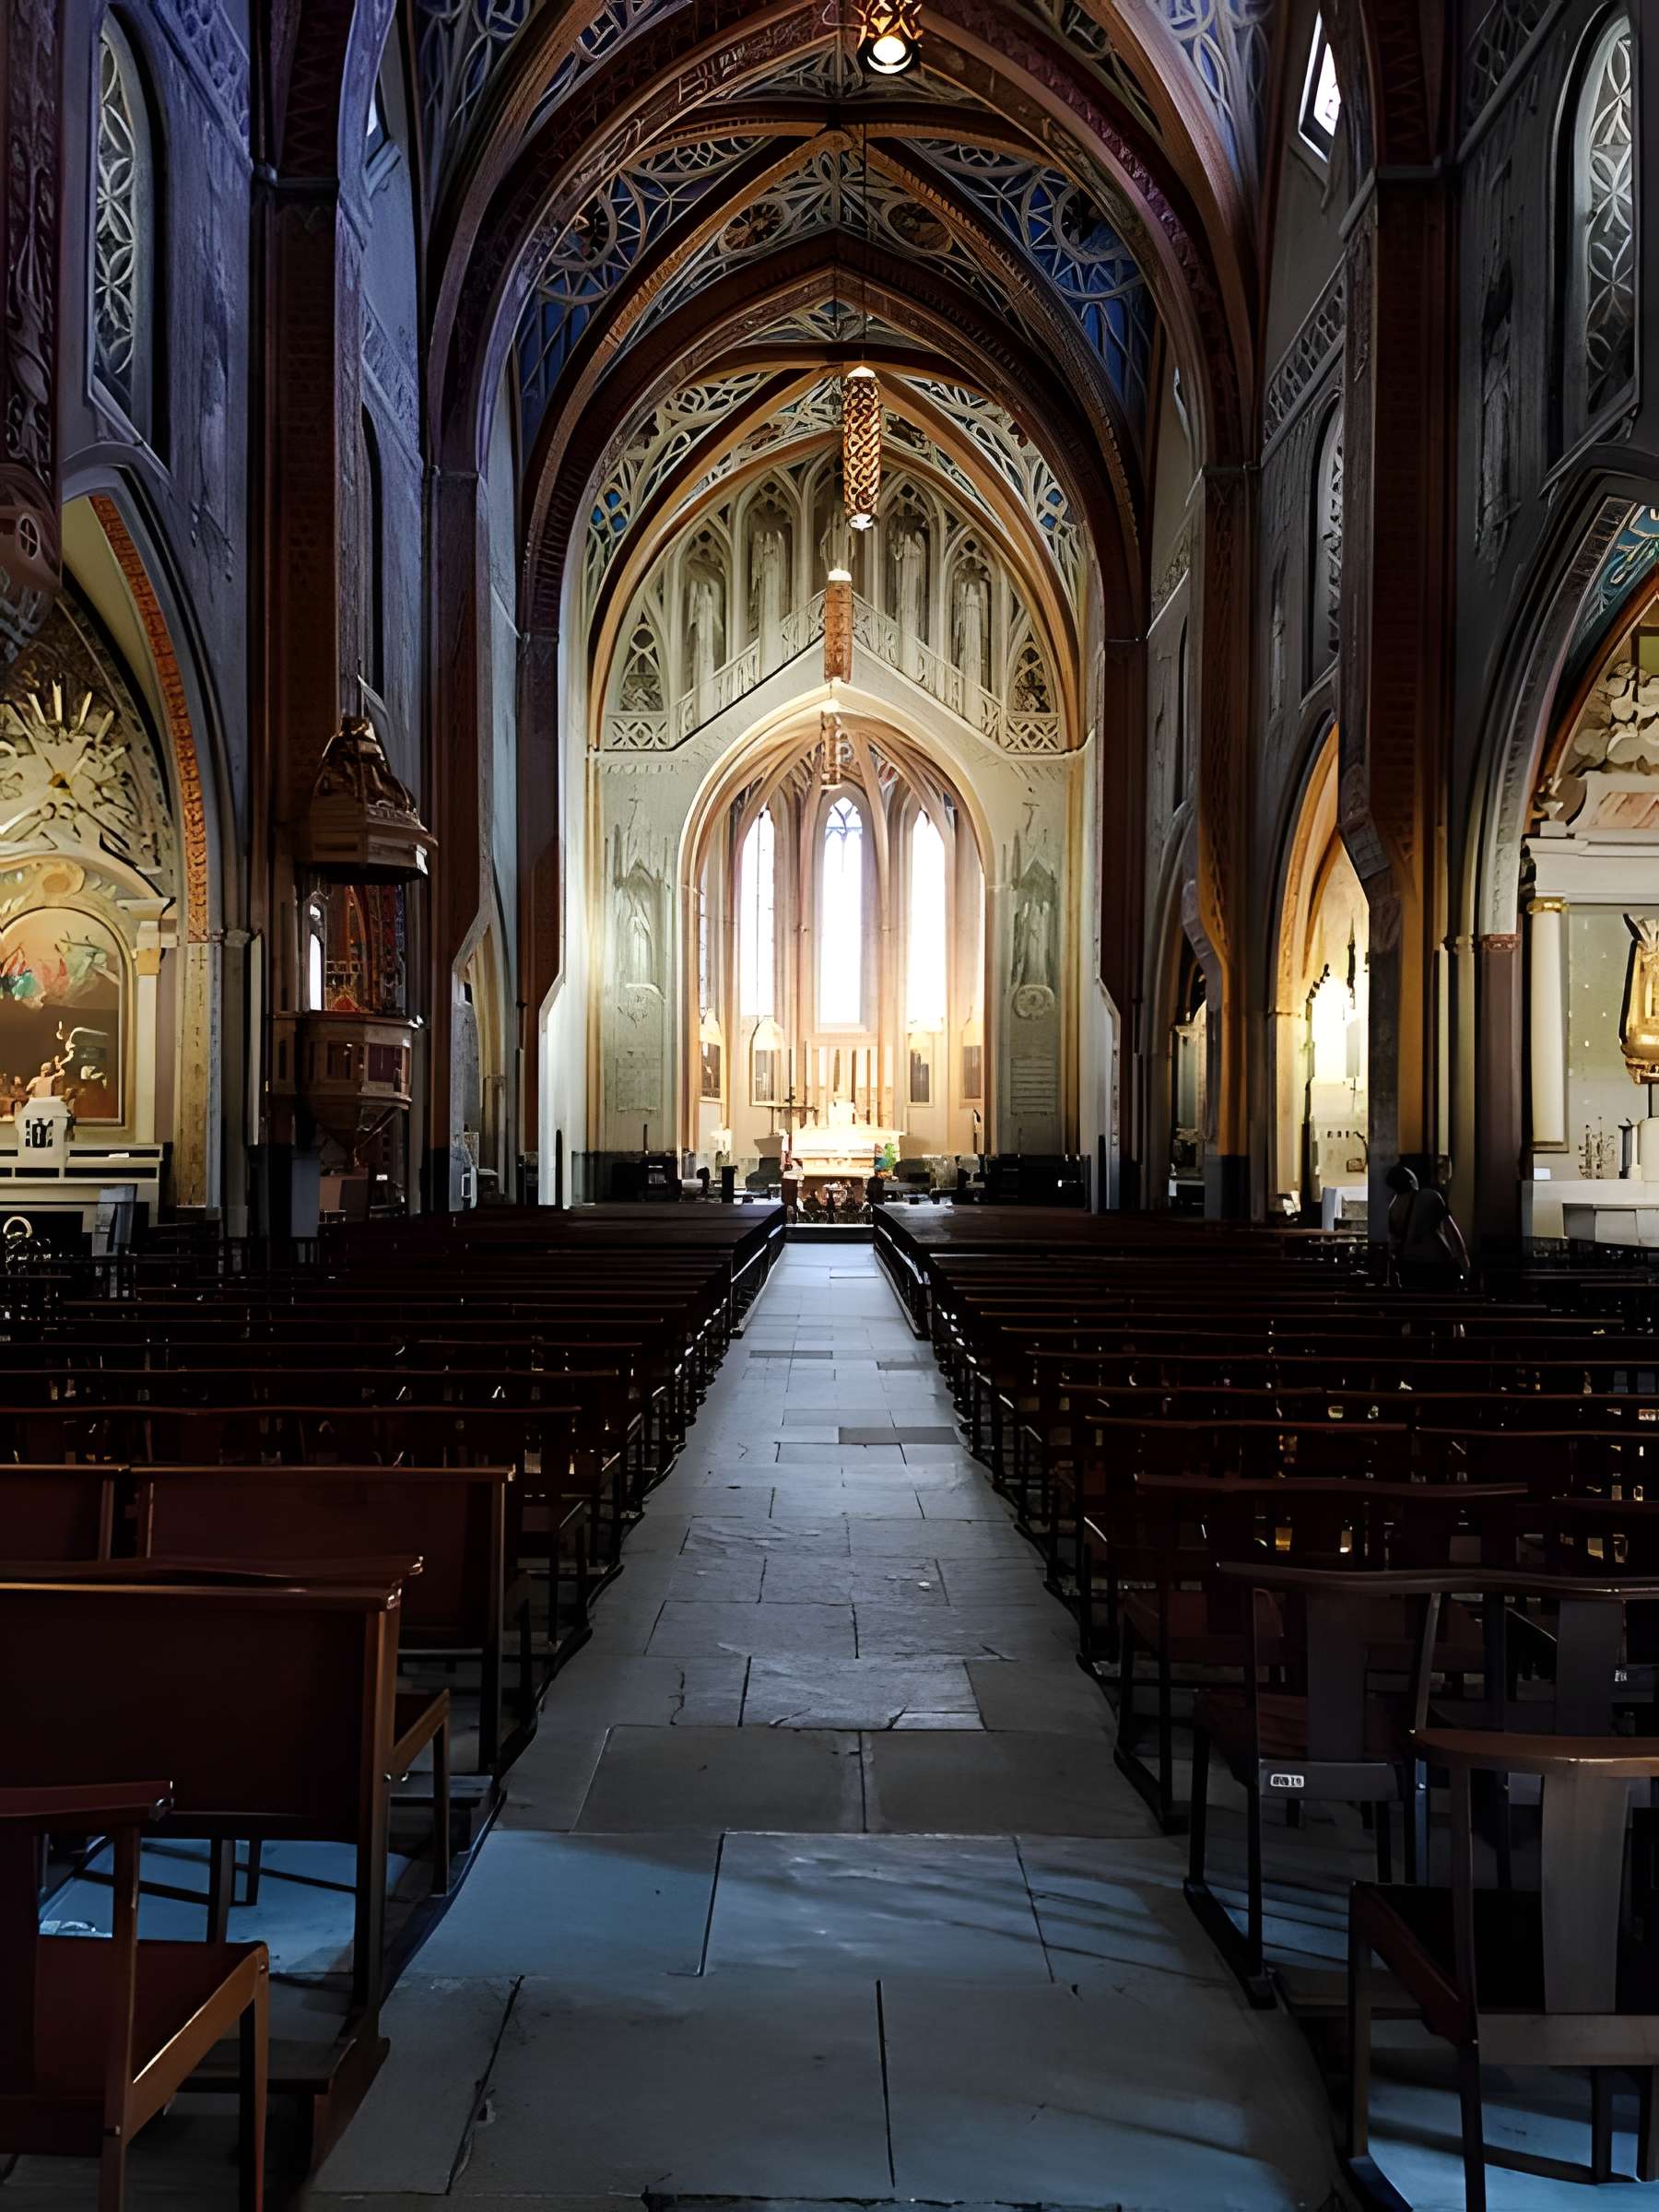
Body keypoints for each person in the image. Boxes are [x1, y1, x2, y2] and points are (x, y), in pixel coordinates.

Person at [1384, 1163, 1470, 1291]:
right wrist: (1465, 1264)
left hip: (1409, 1268)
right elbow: (1451, 1233)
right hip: (1437, 1264)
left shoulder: (1393, 1208)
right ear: (1411, 1181)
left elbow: (1392, 1245)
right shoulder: (1430, 1196)